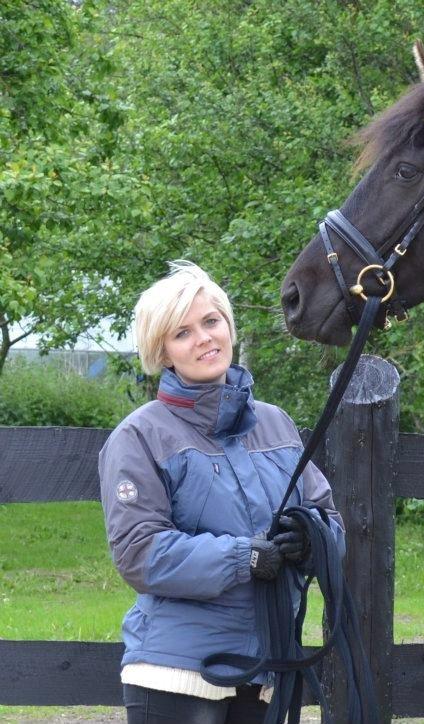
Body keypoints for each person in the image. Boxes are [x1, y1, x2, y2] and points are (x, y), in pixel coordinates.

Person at [99, 261, 345, 724]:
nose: (204, 339)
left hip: (262, 672)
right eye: (183, 332)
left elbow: (328, 517)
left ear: (229, 326)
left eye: (211, 322)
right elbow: (140, 552)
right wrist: (242, 557)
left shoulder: (275, 423)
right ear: (164, 352)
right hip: (176, 675)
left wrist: (314, 542)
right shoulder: (140, 437)